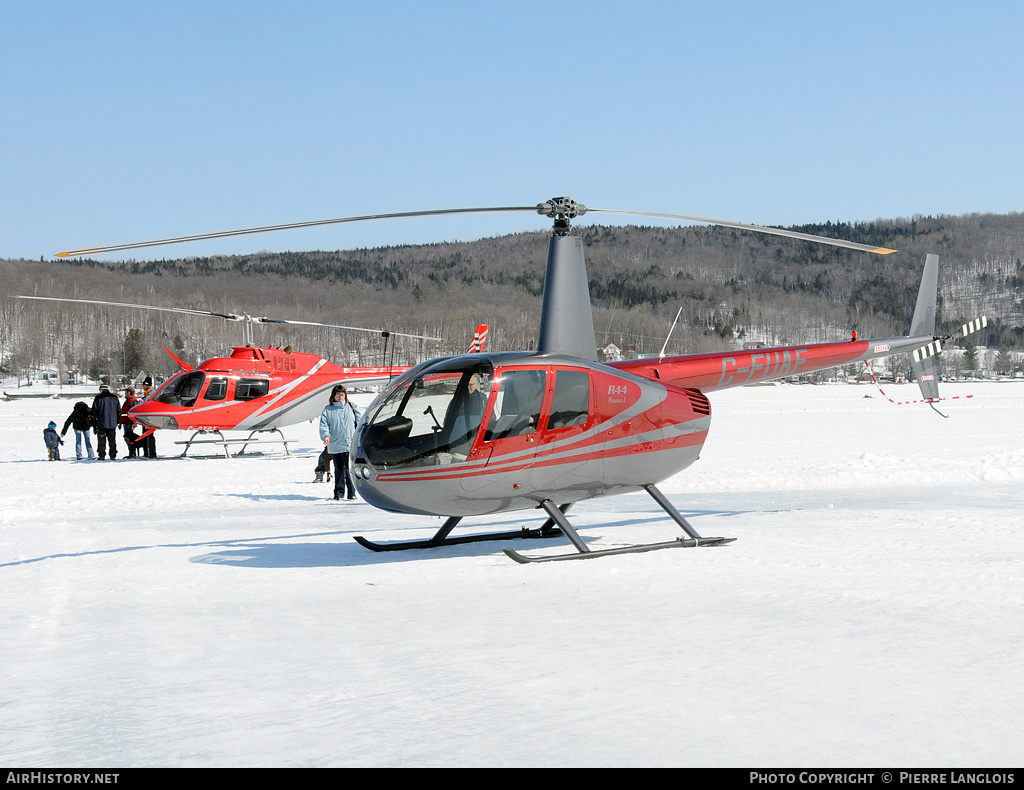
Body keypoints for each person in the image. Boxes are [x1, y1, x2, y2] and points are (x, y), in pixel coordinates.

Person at [318, 384, 361, 500]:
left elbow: (360, 422)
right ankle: (339, 493)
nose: (340, 397)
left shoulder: (351, 406)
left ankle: (352, 493)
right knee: (339, 469)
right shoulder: (328, 409)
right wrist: (326, 436)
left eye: (342, 395)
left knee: (349, 469)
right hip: (336, 444)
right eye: (338, 395)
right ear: (333, 396)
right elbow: (324, 424)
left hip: (349, 444)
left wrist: (360, 436)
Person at [91, 384, 121, 460]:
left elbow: (94, 411)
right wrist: (118, 421)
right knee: (112, 440)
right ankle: (113, 455)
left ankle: (101, 455)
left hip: (101, 422)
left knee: (101, 440)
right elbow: (119, 410)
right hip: (112, 423)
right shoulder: (114, 397)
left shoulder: (98, 398)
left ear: (101, 390)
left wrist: (94, 424)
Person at [140, 377, 157, 458]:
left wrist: (140, 402)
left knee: (149, 435)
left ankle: (151, 453)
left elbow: (146, 403)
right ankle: (146, 452)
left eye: (143, 385)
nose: (142, 387)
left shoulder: (151, 393)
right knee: (145, 435)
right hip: (145, 418)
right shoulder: (147, 393)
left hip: (149, 418)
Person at [120, 387, 140, 458]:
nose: (125, 394)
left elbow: (133, 413)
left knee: (129, 438)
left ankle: (132, 453)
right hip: (126, 422)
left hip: (130, 423)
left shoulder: (133, 401)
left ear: (129, 393)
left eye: (126, 393)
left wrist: (131, 424)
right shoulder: (128, 400)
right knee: (127, 438)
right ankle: (131, 452)